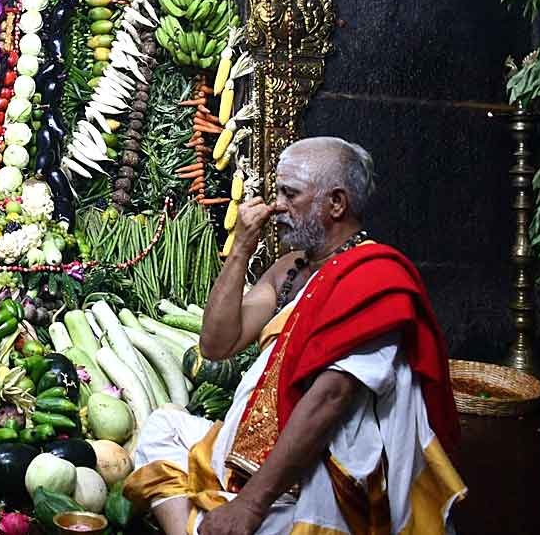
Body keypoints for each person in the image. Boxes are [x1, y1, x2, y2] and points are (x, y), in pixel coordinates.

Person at [124, 137, 466, 534]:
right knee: (161, 428)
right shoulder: (289, 269)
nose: (277, 206)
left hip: (318, 461)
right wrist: (240, 251)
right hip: (249, 440)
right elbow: (217, 346)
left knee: (278, 520)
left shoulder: (374, 277)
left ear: (336, 203)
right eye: (278, 192)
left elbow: (331, 398)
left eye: (290, 193)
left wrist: (251, 506)